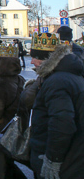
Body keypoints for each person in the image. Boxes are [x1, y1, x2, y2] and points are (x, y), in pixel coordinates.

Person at [28, 37, 84, 179]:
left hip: (64, 161)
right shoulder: (68, 76)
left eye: (35, 57)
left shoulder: (56, 81)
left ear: (47, 59)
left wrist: (53, 159)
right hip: (74, 155)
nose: (32, 62)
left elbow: (62, 123)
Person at [0, 46, 28, 179]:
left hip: (4, 129)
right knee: (11, 164)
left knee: (4, 168)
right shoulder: (20, 79)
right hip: (18, 126)